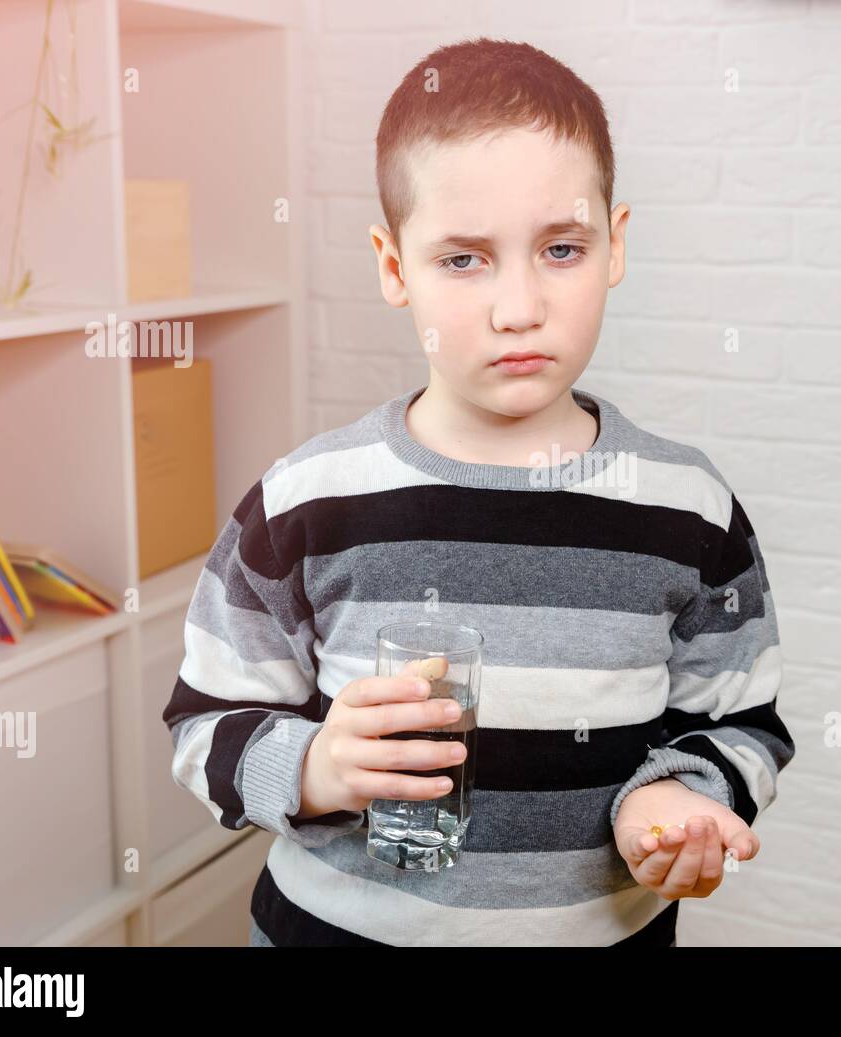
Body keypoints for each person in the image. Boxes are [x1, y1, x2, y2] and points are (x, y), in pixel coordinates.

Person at [162, 37, 793, 948]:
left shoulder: (689, 510)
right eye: (464, 259)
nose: (518, 308)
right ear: (394, 267)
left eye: (562, 248)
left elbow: (740, 720)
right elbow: (204, 723)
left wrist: (680, 795)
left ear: (615, 245)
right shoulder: (306, 502)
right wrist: (317, 768)